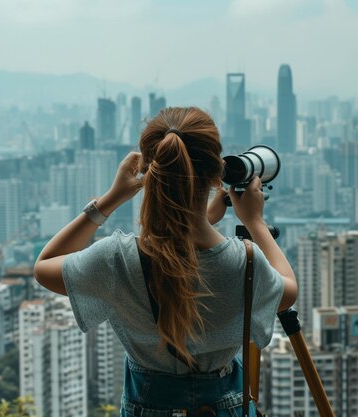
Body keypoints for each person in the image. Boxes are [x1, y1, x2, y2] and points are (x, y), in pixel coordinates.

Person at [33, 107, 298, 417]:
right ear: (217, 176)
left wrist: (111, 198)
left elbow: (45, 264)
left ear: (149, 170)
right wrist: (255, 222)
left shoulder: (115, 260)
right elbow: (288, 291)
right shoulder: (245, 263)